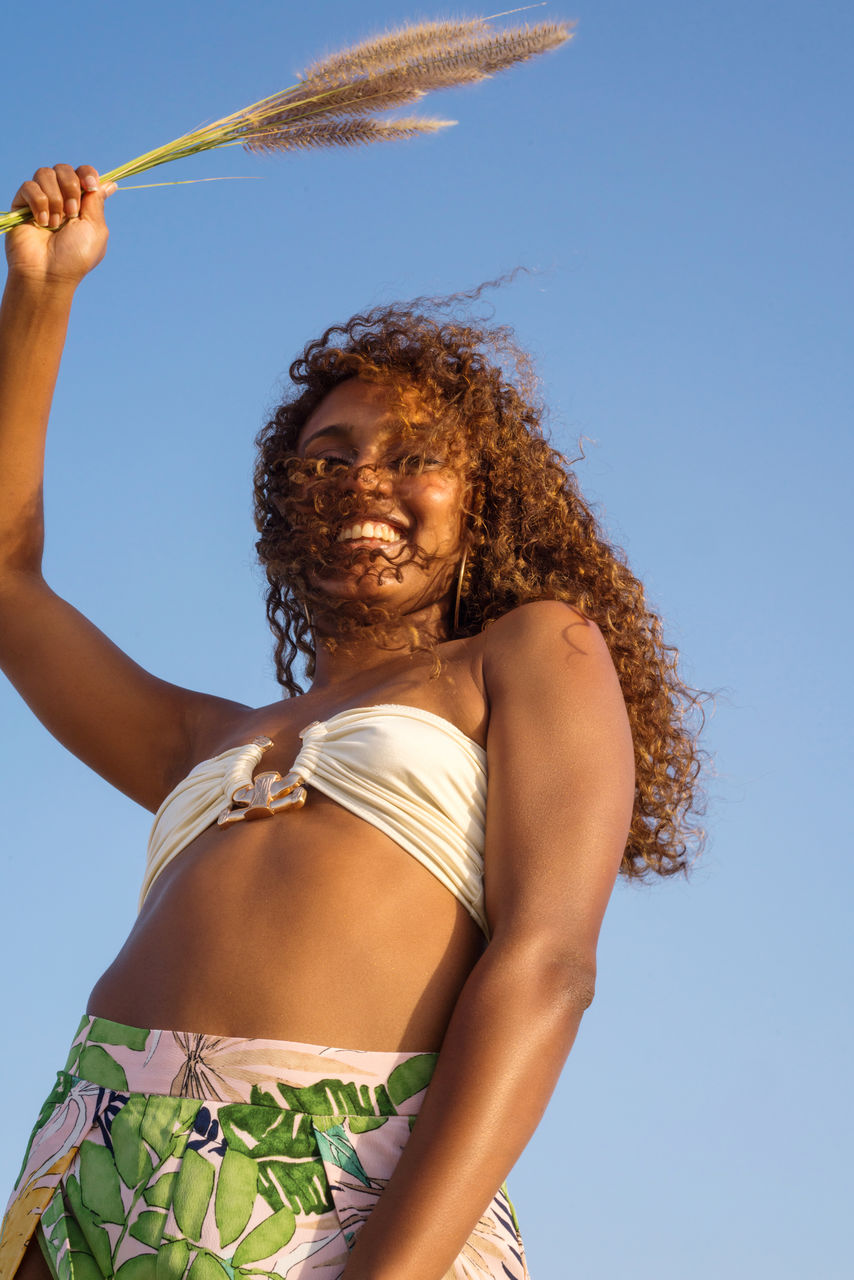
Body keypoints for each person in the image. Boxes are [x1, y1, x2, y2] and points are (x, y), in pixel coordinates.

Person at [0, 164, 704, 1280]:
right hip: (88, 1160)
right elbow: (6, 582)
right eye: (324, 460)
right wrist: (42, 291)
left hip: (343, 1188)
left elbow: (546, 962)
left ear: (483, 499)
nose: (362, 478)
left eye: (413, 455)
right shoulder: (205, 736)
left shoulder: (528, 651)